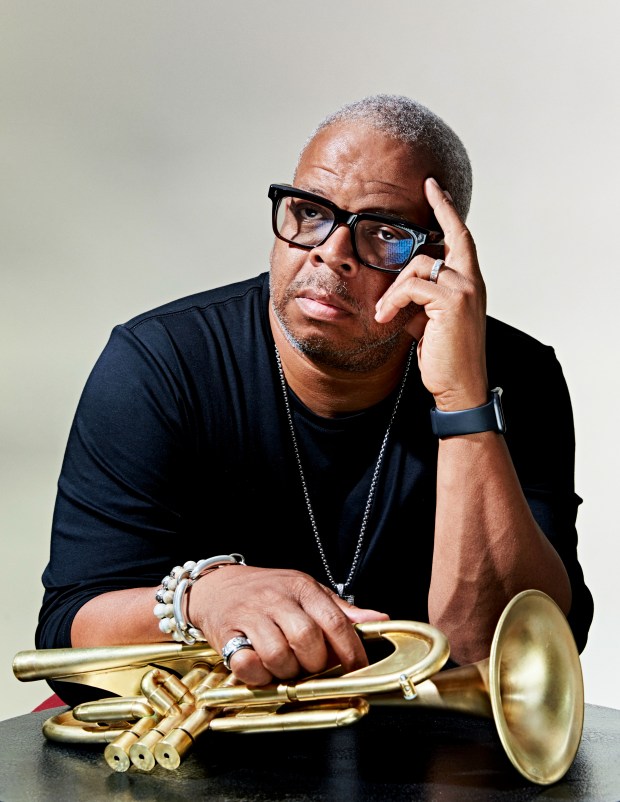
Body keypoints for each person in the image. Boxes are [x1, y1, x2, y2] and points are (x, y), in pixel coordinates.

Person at [36, 94, 593, 702]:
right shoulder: (158, 365)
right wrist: (203, 596)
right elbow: (68, 641)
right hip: (211, 760)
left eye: (382, 233)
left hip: (421, 753)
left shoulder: (515, 375)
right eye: (309, 212)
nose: (331, 251)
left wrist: (461, 398)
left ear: (436, 259)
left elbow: (493, 655)